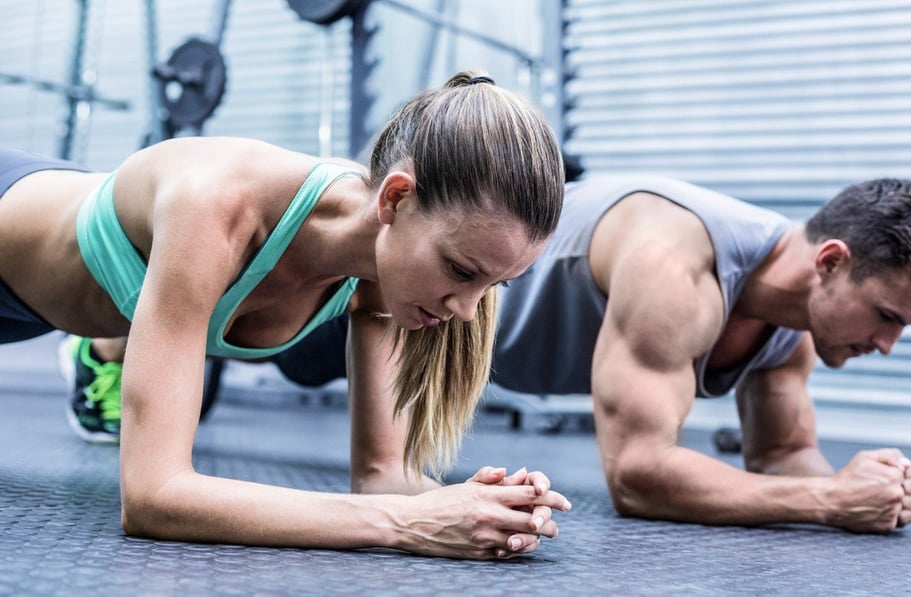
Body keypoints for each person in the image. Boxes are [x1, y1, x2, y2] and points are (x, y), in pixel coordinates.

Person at [0, 71, 572, 559]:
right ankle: (101, 354)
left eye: (496, 284)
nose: (468, 312)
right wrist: (407, 524)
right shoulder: (216, 205)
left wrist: (479, 507)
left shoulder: (383, 280)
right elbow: (154, 496)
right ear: (395, 198)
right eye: (461, 270)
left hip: (55, 300)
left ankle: (102, 346)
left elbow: (382, 478)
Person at [212, 174, 911, 534]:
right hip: (420, 310)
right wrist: (828, 500)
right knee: (270, 332)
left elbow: (785, 452)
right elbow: (640, 476)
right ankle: (123, 334)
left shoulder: (796, 324)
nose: (886, 344)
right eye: (886, 316)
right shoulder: (678, 267)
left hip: (476, 351)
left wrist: (868, 486)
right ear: (832, 261)